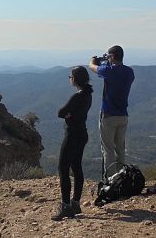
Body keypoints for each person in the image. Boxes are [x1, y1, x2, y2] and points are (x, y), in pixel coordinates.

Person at [52, 66, 94, 221]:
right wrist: (69, 114)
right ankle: (75, 203)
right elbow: (66, 113)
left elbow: (60, 113)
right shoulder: (88, 94)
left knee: (63, 168)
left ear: (75, 79)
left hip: (72, 136)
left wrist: (68, 115)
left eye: (71, 76)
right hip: (82, 134)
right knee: (76, 168)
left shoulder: (77, 96)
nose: (70, 79)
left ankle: (66, 206)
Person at [89, 45, 134, 179]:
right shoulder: (129, 72)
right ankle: (122, 176)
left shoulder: (108, 71)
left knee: (108, 149)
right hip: (123, 115)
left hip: (108, 115)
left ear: (112, 56)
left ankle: (111, 179)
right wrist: (107, 61)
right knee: (120, 148)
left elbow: (92, 67)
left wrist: (92, 60)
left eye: (109, 56)